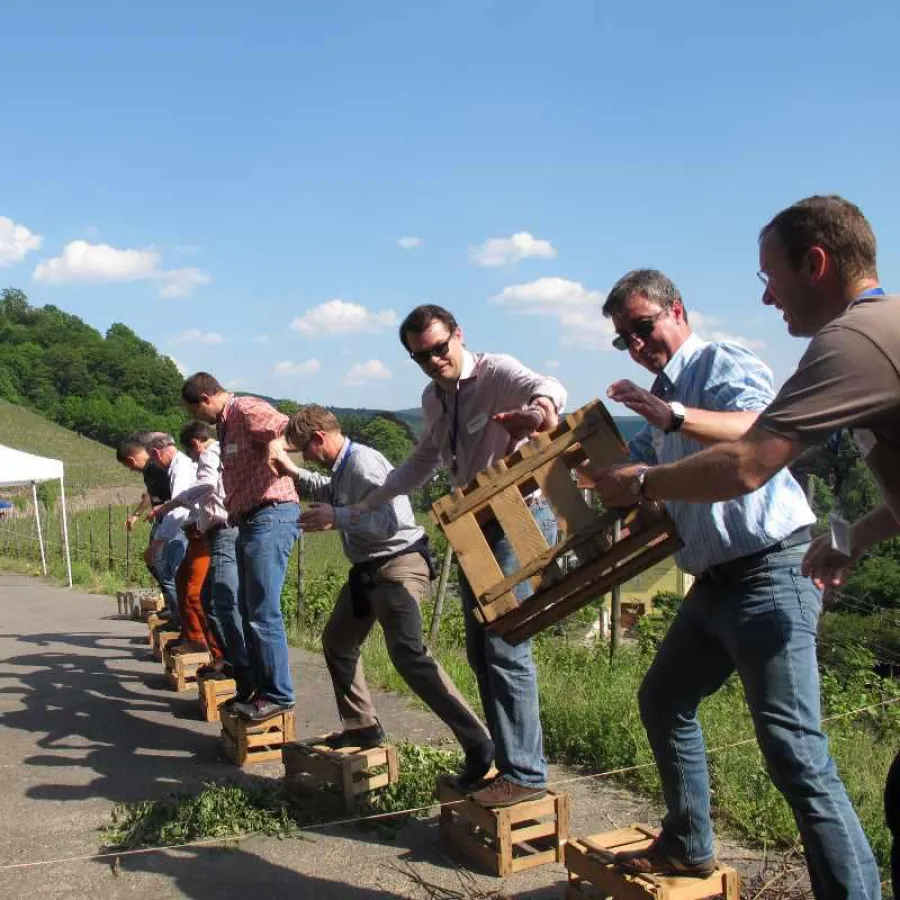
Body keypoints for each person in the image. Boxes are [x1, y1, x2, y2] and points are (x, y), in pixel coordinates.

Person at [589, 203, 888, 900]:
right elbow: (641, 479)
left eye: (644, 326)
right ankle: (689, 845)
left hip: (771, 571)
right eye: (623, 339)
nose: (637, 343)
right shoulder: (659, 401)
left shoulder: (718, 363)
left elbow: (755, 430)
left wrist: (676, 419)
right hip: (715, 585)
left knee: (795, 755)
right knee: (663, 699)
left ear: (678, 313)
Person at [352, 304, 566, 808]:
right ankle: (508, 765)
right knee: (479, 651)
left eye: (438, 348)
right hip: (474, 527)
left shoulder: (497, 371)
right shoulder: (432, 397)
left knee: (505, 647)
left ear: (458, 335)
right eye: (419, 356)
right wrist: (368, 502)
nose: (432, 360)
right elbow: (424, 459)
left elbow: (549, 386)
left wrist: (537, 412)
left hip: (518, 517)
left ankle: (526, 775)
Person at [272, 404, 493, 784]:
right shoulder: (344, 468)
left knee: (409, 655)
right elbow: (332, 490)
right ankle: (361, 727)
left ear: (319, 438)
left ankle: (478, 744)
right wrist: (293, 472)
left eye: (305, 450)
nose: (306, 456)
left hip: (398, 563)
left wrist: (336, 518)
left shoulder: (363, 464)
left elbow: (390, 522)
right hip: (369, 570)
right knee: (338, 641)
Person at [181, 372, 300, 722]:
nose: (195, 420)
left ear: (205, 398)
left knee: (263, 611)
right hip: (249, 520)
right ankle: (259, 691)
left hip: (272, 513)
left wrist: (278, 446)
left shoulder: (247, 408)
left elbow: (289, 429)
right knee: (249, 611)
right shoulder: (225, 424)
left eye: (194, 411)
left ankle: (278, 695)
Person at [148, 421, 237, 677]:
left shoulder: (196, 462)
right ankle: (195, 637)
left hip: (207, 534)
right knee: (184, 581)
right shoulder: (189, 464)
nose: (194, 457)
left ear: (195, 444)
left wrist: (159, 538)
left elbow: (192, 500)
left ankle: (219, 654)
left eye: (193, 451)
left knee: (200, 594)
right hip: (200, 532)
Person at [116, 431, 186, 627]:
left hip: (173, 522)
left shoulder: (158, 467)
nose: (131, 470)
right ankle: (173, 608)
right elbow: (150, 494)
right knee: (154, 562)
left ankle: (180, 618)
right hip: (161, 520)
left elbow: (178, 497)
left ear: (131, 458)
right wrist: (136, 514)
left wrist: (162, 512)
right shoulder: (149, 470)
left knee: (168, 570)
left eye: (128, 465)